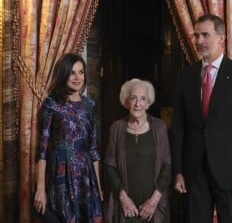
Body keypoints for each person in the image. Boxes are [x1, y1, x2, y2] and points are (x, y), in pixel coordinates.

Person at [171, 14, 232, 223]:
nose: (199, 41)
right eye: (196, 35)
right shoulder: (186, 76)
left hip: (230, 173)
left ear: (222, 37)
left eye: (205, 35)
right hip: (194, 173)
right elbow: (178, 128)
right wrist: (178, 171)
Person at [34, 53, 103, 223]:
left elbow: (93, 149)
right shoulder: (51, 104)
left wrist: (98, 188)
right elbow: (42, 151)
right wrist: (40, 188)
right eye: (72, 72)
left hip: (85, 179)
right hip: (60, 178)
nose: (77, 77)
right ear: (63, 74)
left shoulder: (90, 105)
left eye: (81, 72)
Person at [105, 78, 171, 223]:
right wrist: (123, 198)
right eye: (133, 98)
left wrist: (154, 201)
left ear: (148, 103)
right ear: (126, 101)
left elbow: (167, 166)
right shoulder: (116, 128)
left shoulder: (159, 128)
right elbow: (110, 167)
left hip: (153, 207)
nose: (137, 104)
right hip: (126, 208)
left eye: (142, 99)